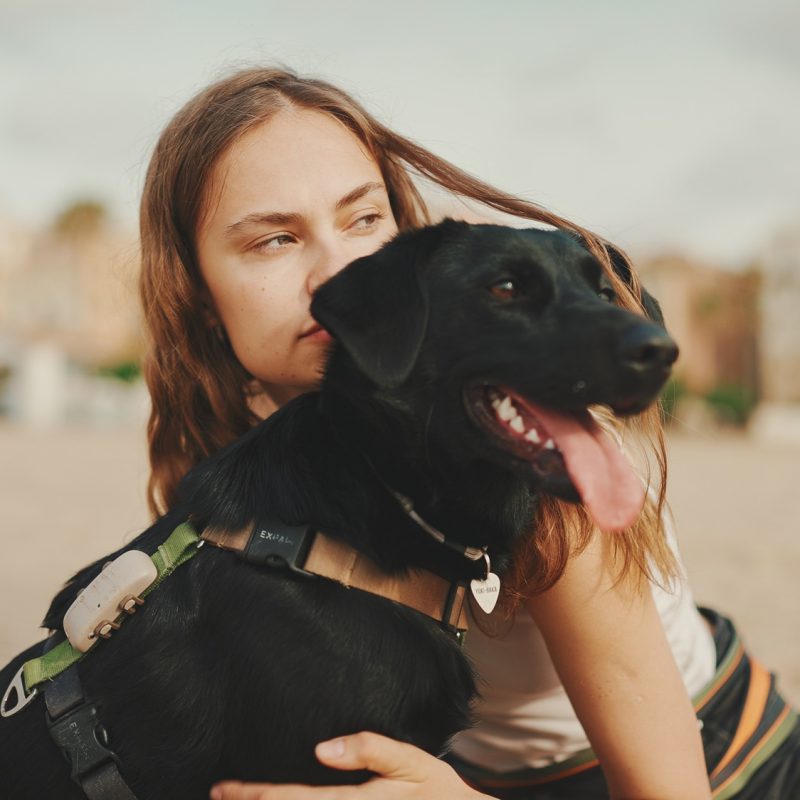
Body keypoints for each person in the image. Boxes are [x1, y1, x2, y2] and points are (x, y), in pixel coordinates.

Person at [136, 67, 799, 800]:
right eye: (274, 240)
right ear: (197, 296)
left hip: (718, 768)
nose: (341, 269)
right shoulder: (245, 460)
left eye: (364, 219)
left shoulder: (519, 446)